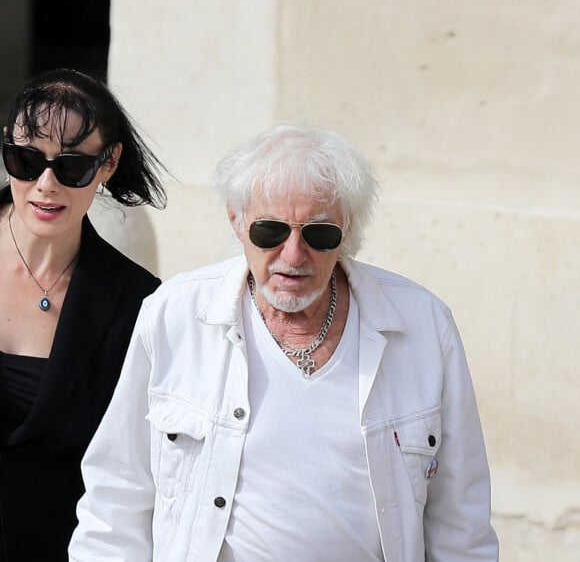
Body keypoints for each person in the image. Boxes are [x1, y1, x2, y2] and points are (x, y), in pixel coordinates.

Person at [69, 123, 499, 561]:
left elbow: (461, 523)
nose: (293, 255)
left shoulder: (424, 326)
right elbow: (117, 496)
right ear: (236, 220)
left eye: (319, 233)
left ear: (347, 229)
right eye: (270, 231)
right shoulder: (175, 315)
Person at [0, 68, 168, 561]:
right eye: (26, 160)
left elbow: (135, 468)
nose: (45, 184)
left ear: (109, 163)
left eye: (72, 167)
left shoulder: (138, 303)